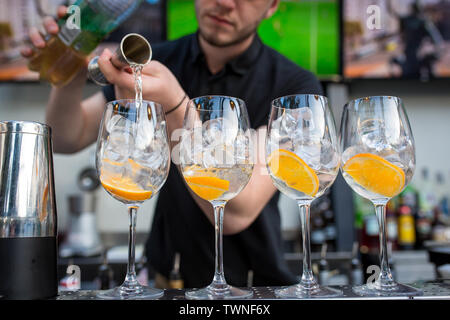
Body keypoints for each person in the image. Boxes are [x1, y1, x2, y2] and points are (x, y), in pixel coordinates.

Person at [22, 0, 323, 288]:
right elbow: (65, 137)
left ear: (271, 6)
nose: (225, 2)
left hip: (252, 287)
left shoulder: (294, 89)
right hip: (166, 280)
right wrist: (70, 69)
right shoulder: (156, 60)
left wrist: (174, 105)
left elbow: (234, 210)